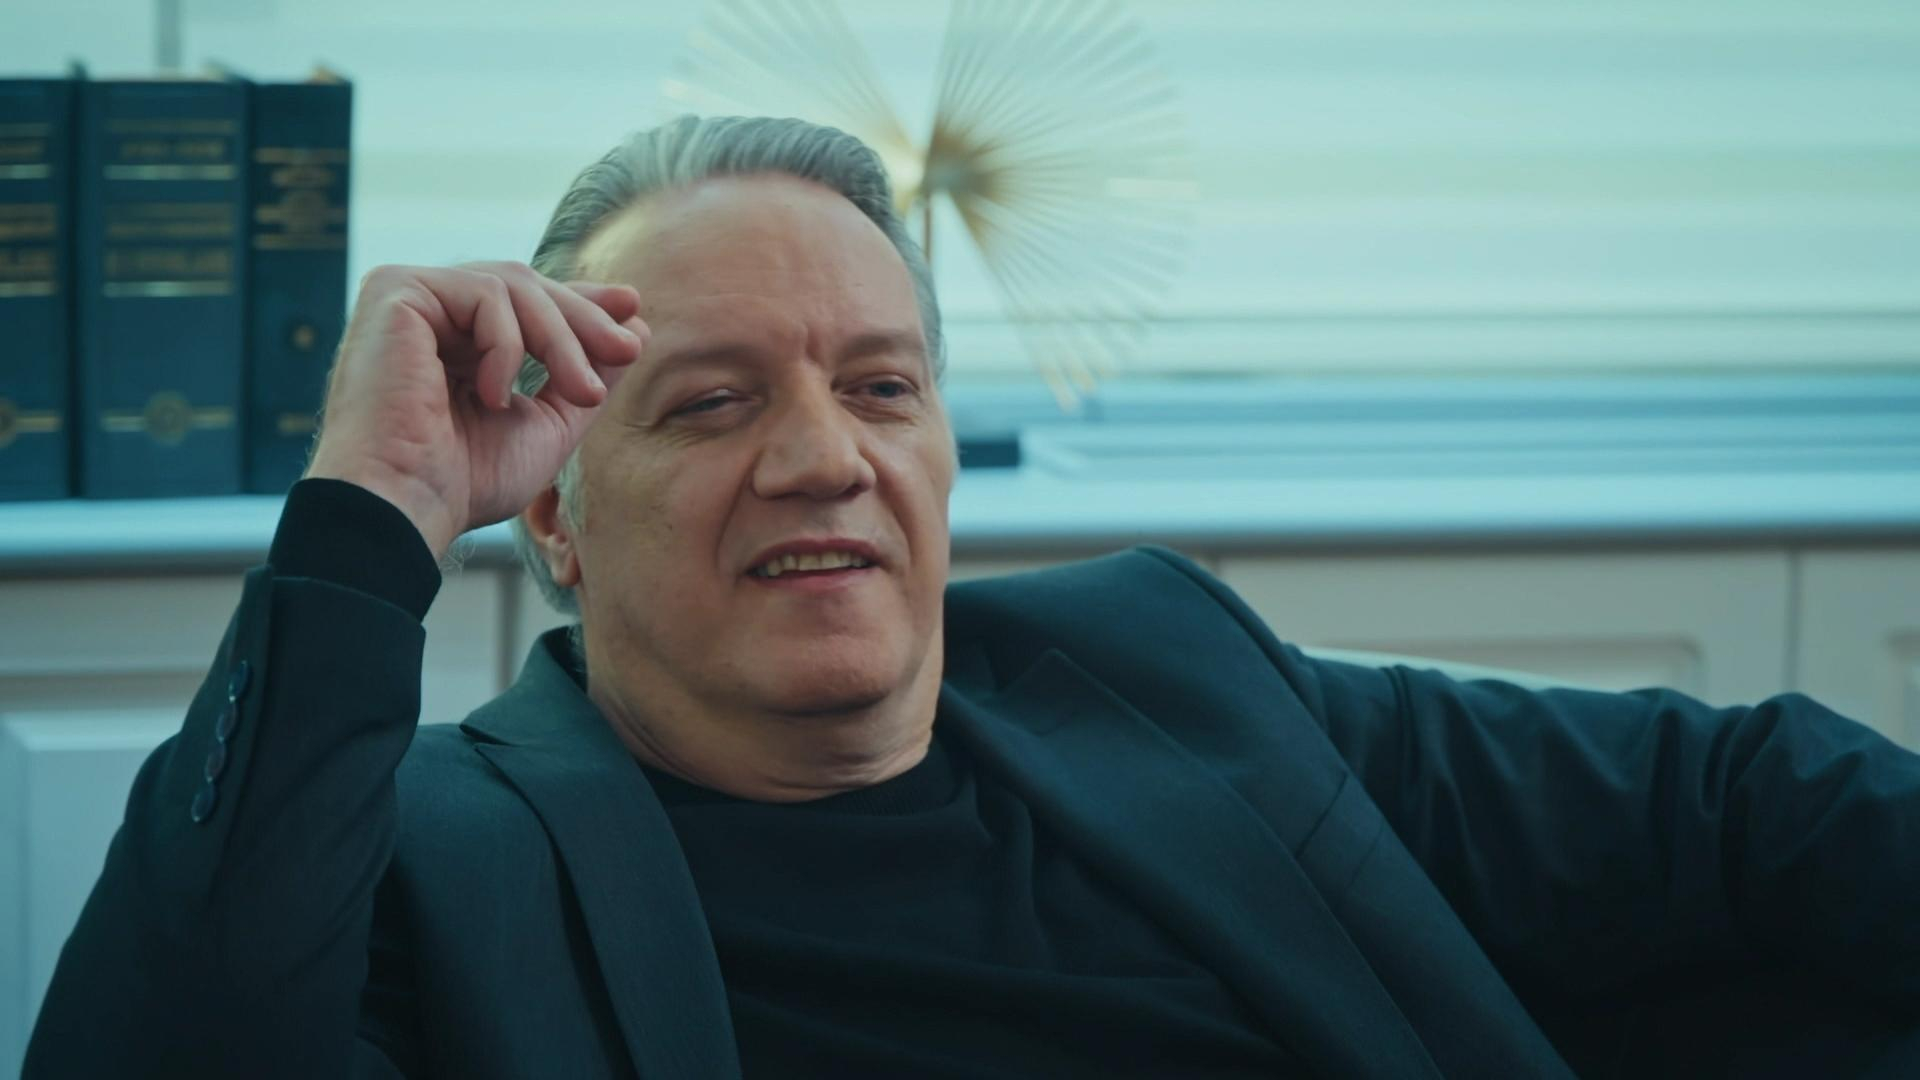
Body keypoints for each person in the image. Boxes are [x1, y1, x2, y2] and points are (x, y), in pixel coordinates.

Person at [24, 115, 1920, 1079]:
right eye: (711, 403)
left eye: (880, 388)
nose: (824, 457)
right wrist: (372, 516)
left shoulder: (1163, 666)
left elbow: (1738, 801)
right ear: (562, 528)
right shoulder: (418, 858)